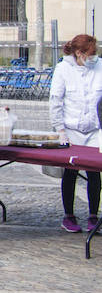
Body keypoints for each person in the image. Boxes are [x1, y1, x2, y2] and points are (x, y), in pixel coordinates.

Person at [48, 34, 102, 233]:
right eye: (91, 53)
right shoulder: (63, 69)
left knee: (95, 172)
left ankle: (93, 215)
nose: (94, 57)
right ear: (79, 53)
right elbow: (56, 100)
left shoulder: (100, 67)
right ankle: (69, 215)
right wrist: (60, 130)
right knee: (70, 172)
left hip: (95, 130)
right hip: (71, 129)